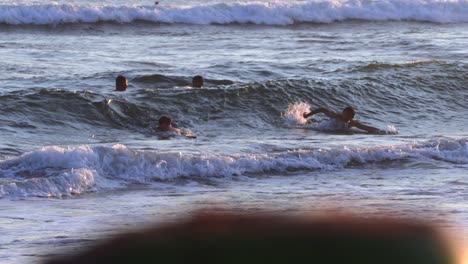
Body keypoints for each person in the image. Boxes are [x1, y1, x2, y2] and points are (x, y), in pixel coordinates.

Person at [303, 106, 380, 133]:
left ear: (351, 117)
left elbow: (365, 127)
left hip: (334, 134)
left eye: (347, 115)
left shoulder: (352, 123)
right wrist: (307, 115)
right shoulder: (336, 116)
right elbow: (322, 109)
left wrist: (379, 131)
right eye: (344, 114)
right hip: (323, 128)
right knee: (309, 126)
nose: (344, 116)